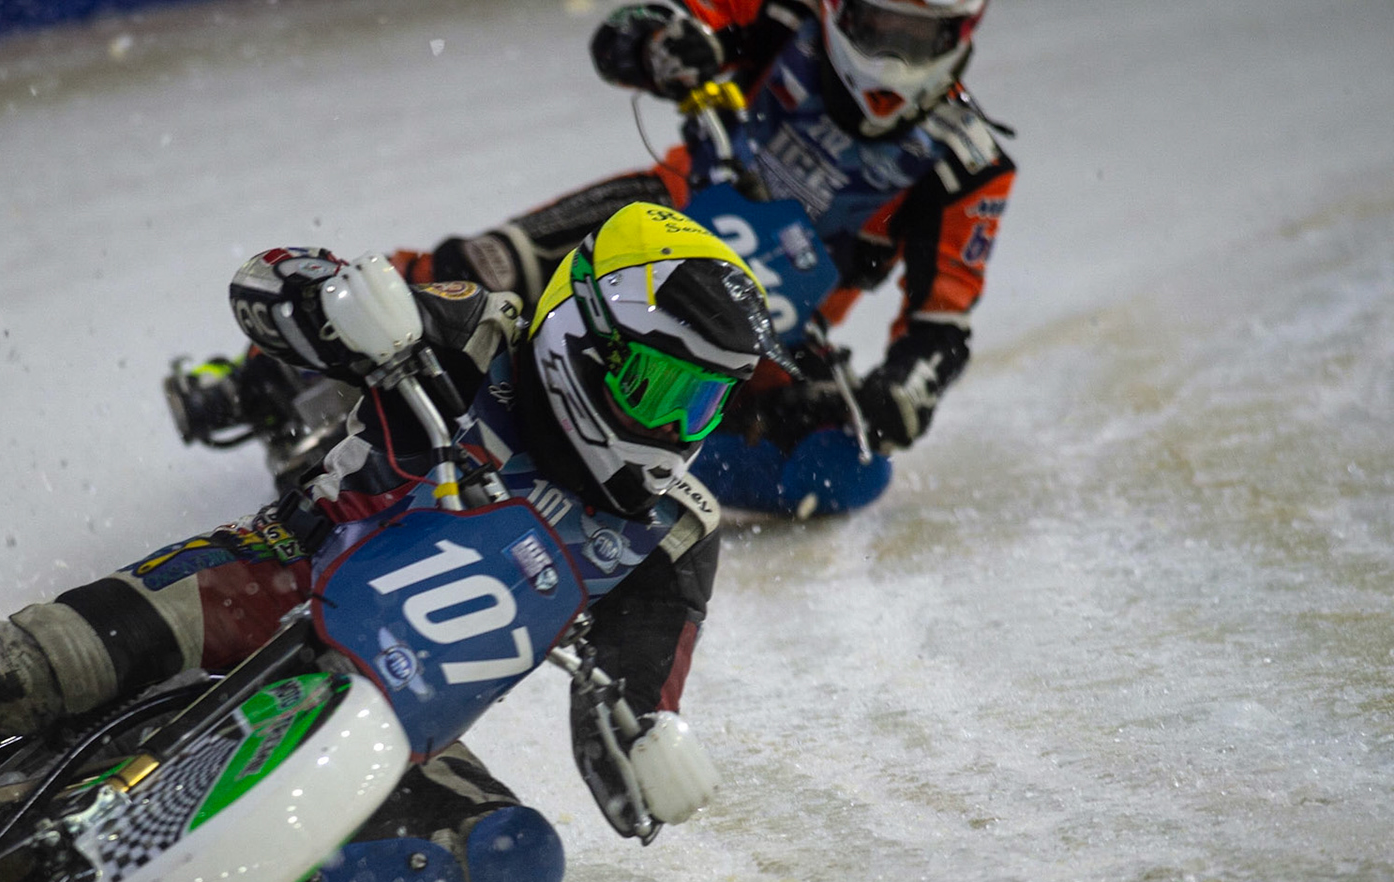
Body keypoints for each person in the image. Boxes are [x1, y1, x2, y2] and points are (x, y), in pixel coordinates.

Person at [0, 204, 791, 882]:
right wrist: (338, 302)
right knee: (18, 665)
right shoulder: (470, 332)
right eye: (656, 383)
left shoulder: (671, 533)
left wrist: (651, 745)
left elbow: (631, 716)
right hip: (269, 580)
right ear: (583, 334)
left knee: (513, 862)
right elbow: (268, 285)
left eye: (700, 404)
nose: (669, 428)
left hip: (397, 724)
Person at [172, 0, 1015, 519]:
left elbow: (942, 324)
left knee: (850, 469)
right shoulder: (782, 15)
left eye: (919, 34)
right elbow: (625, 31)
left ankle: (579, 461)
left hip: (752, 331)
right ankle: (261, 373)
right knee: (483, 265)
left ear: (962, 33)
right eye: (879, 25)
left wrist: (902, 392)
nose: (893, 55)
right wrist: (665, 45)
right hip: (650, 226)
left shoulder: (968, 163)